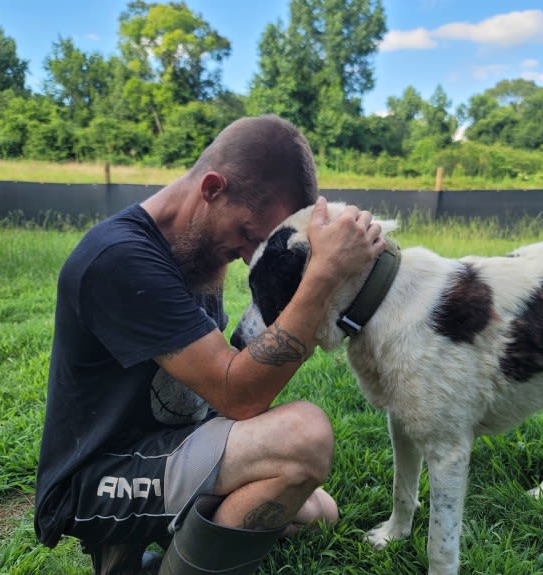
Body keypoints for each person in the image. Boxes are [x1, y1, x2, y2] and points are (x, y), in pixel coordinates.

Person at [33, 114, 385, 575]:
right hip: (100, 478)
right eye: (247, 237)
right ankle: (146, 554)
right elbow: (237, 394)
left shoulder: (198, 254)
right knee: (304, 437)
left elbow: (219, 391)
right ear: (212, 188)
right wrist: (322, 278)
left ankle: (162, 545)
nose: (246, 258)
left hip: (171, 447)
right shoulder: (120, 258)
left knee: (318, 511)